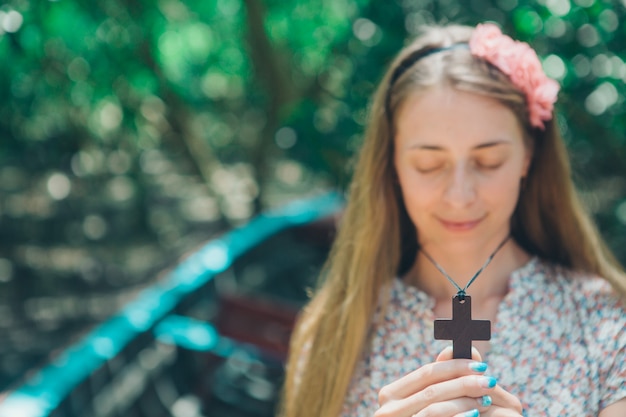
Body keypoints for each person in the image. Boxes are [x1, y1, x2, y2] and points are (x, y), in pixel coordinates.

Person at [279, 23, 626, 417]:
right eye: (429, 164)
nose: (460, 195)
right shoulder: (334, 334)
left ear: (528, 156)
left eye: (488, 161)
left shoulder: (608, 323)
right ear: (391, 165)